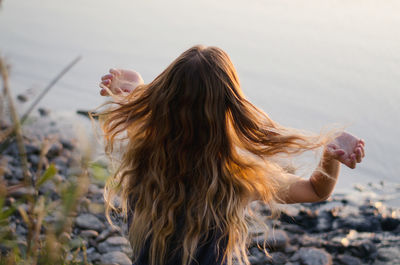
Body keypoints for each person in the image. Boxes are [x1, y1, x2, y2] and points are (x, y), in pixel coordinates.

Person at [97, 45, 365, 265]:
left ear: (162, 100)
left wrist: (135, 90)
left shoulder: (146, 154)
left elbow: (140, 115)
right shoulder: (237, 176)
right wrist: (330, 156)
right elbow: (316, 191)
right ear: (230, 110)